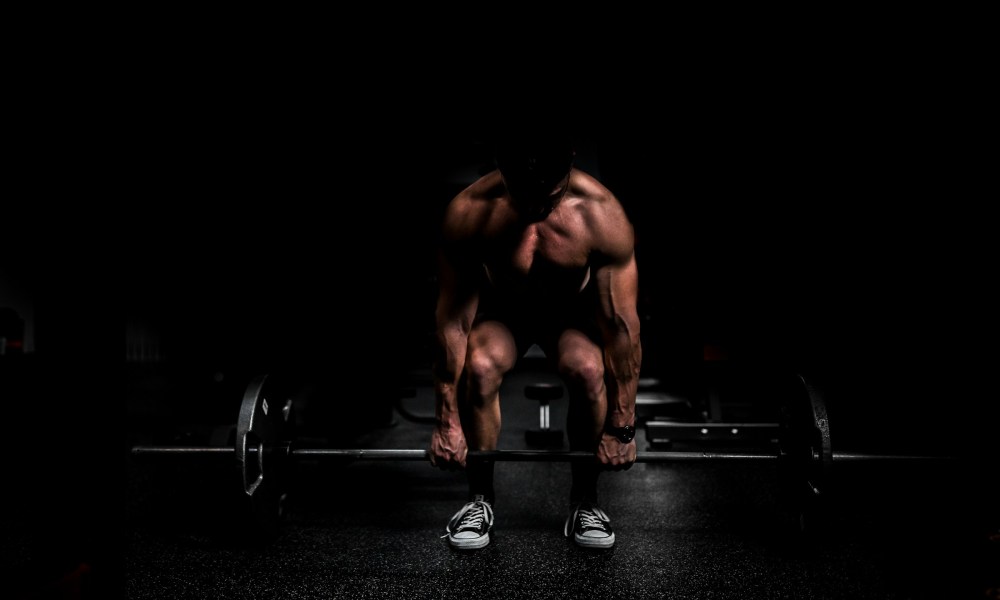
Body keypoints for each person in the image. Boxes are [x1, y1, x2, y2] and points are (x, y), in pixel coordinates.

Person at [428, 131, 642, 550]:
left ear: (570, 161)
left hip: (572, 317)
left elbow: (620, 328)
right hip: (506, 314)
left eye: (550, 192)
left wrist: (622, 427)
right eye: (522, 191)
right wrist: (445, 421)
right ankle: (479, 500)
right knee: (480, 365)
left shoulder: (601, 214)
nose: (535, 205)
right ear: (499, 165)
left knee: (588, 368)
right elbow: (453, 321)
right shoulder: (470, 212)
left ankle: (585, 502)